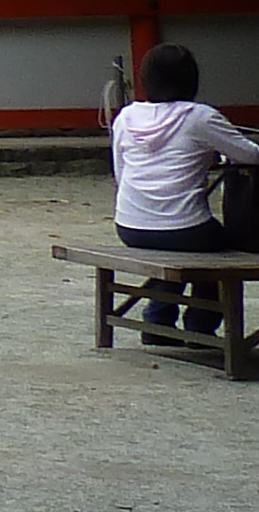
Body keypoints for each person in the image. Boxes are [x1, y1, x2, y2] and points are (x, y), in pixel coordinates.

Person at [111, 41, 259, 332]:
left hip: (129, 225)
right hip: (186, 229)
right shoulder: (199, 117)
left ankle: (158, 319)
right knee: (222, 251)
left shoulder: (126, 117)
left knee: (177, 249)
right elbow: (251, 154)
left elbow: (120, 172)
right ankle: (199, 326)